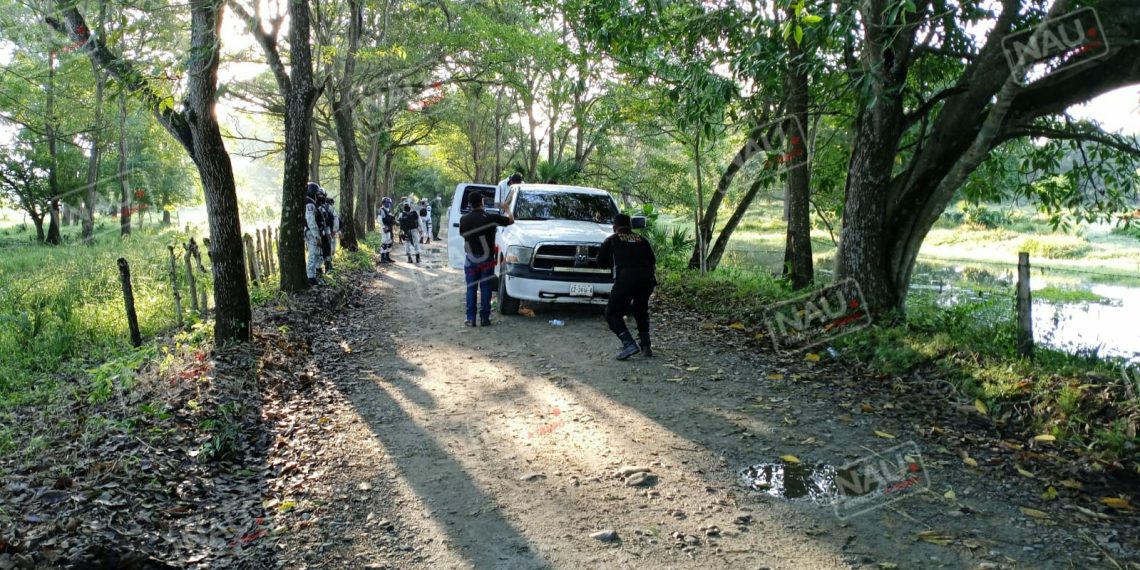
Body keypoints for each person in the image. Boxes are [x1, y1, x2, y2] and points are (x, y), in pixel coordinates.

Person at [596, 213, 657, 359]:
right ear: (630, 226)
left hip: (626, 279)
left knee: (612, 313)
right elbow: (652, 261)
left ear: (614, 227)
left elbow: (601, 262)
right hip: (647, 279)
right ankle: (646, 345)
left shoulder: (612, 240)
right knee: (641, 309)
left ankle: (629, 344)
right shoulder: (642, 239)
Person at [459, 191, 513, 327]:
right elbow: (511, 221)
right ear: (481, 202)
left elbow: (463, 235)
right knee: (486, 288)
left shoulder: (464, 219)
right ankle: (485, 318)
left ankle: (470, 319)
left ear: (470, 204)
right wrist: (507, 209)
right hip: (486, 259)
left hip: (470, 259)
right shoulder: (490, 217)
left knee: (471, 288)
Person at [304, 183, 323, 286]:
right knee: (313, 253)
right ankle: (310, 277)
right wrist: (317, 235)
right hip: (311, 232)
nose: (318, 195)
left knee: (314, 253)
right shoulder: (309, 204)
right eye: (316, 193)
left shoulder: (310, 202)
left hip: (310, 231)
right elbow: (311, 220)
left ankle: (313, 275)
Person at [378, 197, 396, 264]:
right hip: (384, 228)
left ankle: (387, 257)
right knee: (384, 242)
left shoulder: (389, 211)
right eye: (386, 203)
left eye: (389, 203)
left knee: (389, 242)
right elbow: (379, 220)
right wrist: (384, 227)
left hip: (389, 227)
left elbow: (391, 219)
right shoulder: (381, 210)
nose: (388, 204)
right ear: (383, 203)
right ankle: (382, 258)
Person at [325, 196, 339, 272]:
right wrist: (334, 230)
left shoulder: (322, 207)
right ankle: (328, 266)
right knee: (330, 249)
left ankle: (328, 265)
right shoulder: (331, 208)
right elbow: (336, 219)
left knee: (327, 249)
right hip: (330, 231)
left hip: (324, 232)